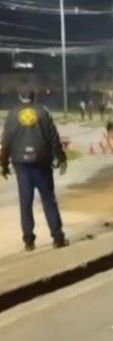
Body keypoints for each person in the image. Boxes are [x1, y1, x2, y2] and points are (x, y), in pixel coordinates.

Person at [0, 89, 69, 251]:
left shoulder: (12, 114)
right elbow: (54, 137)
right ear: (34, 97)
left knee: (26, 202)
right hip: (42, 162)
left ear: (19, 97)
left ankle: (29, 241)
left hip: (21, 165)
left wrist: (3, 164)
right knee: (48, 200)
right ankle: (58, 237)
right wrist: (61, 158)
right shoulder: (44, 112)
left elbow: (6, 141)